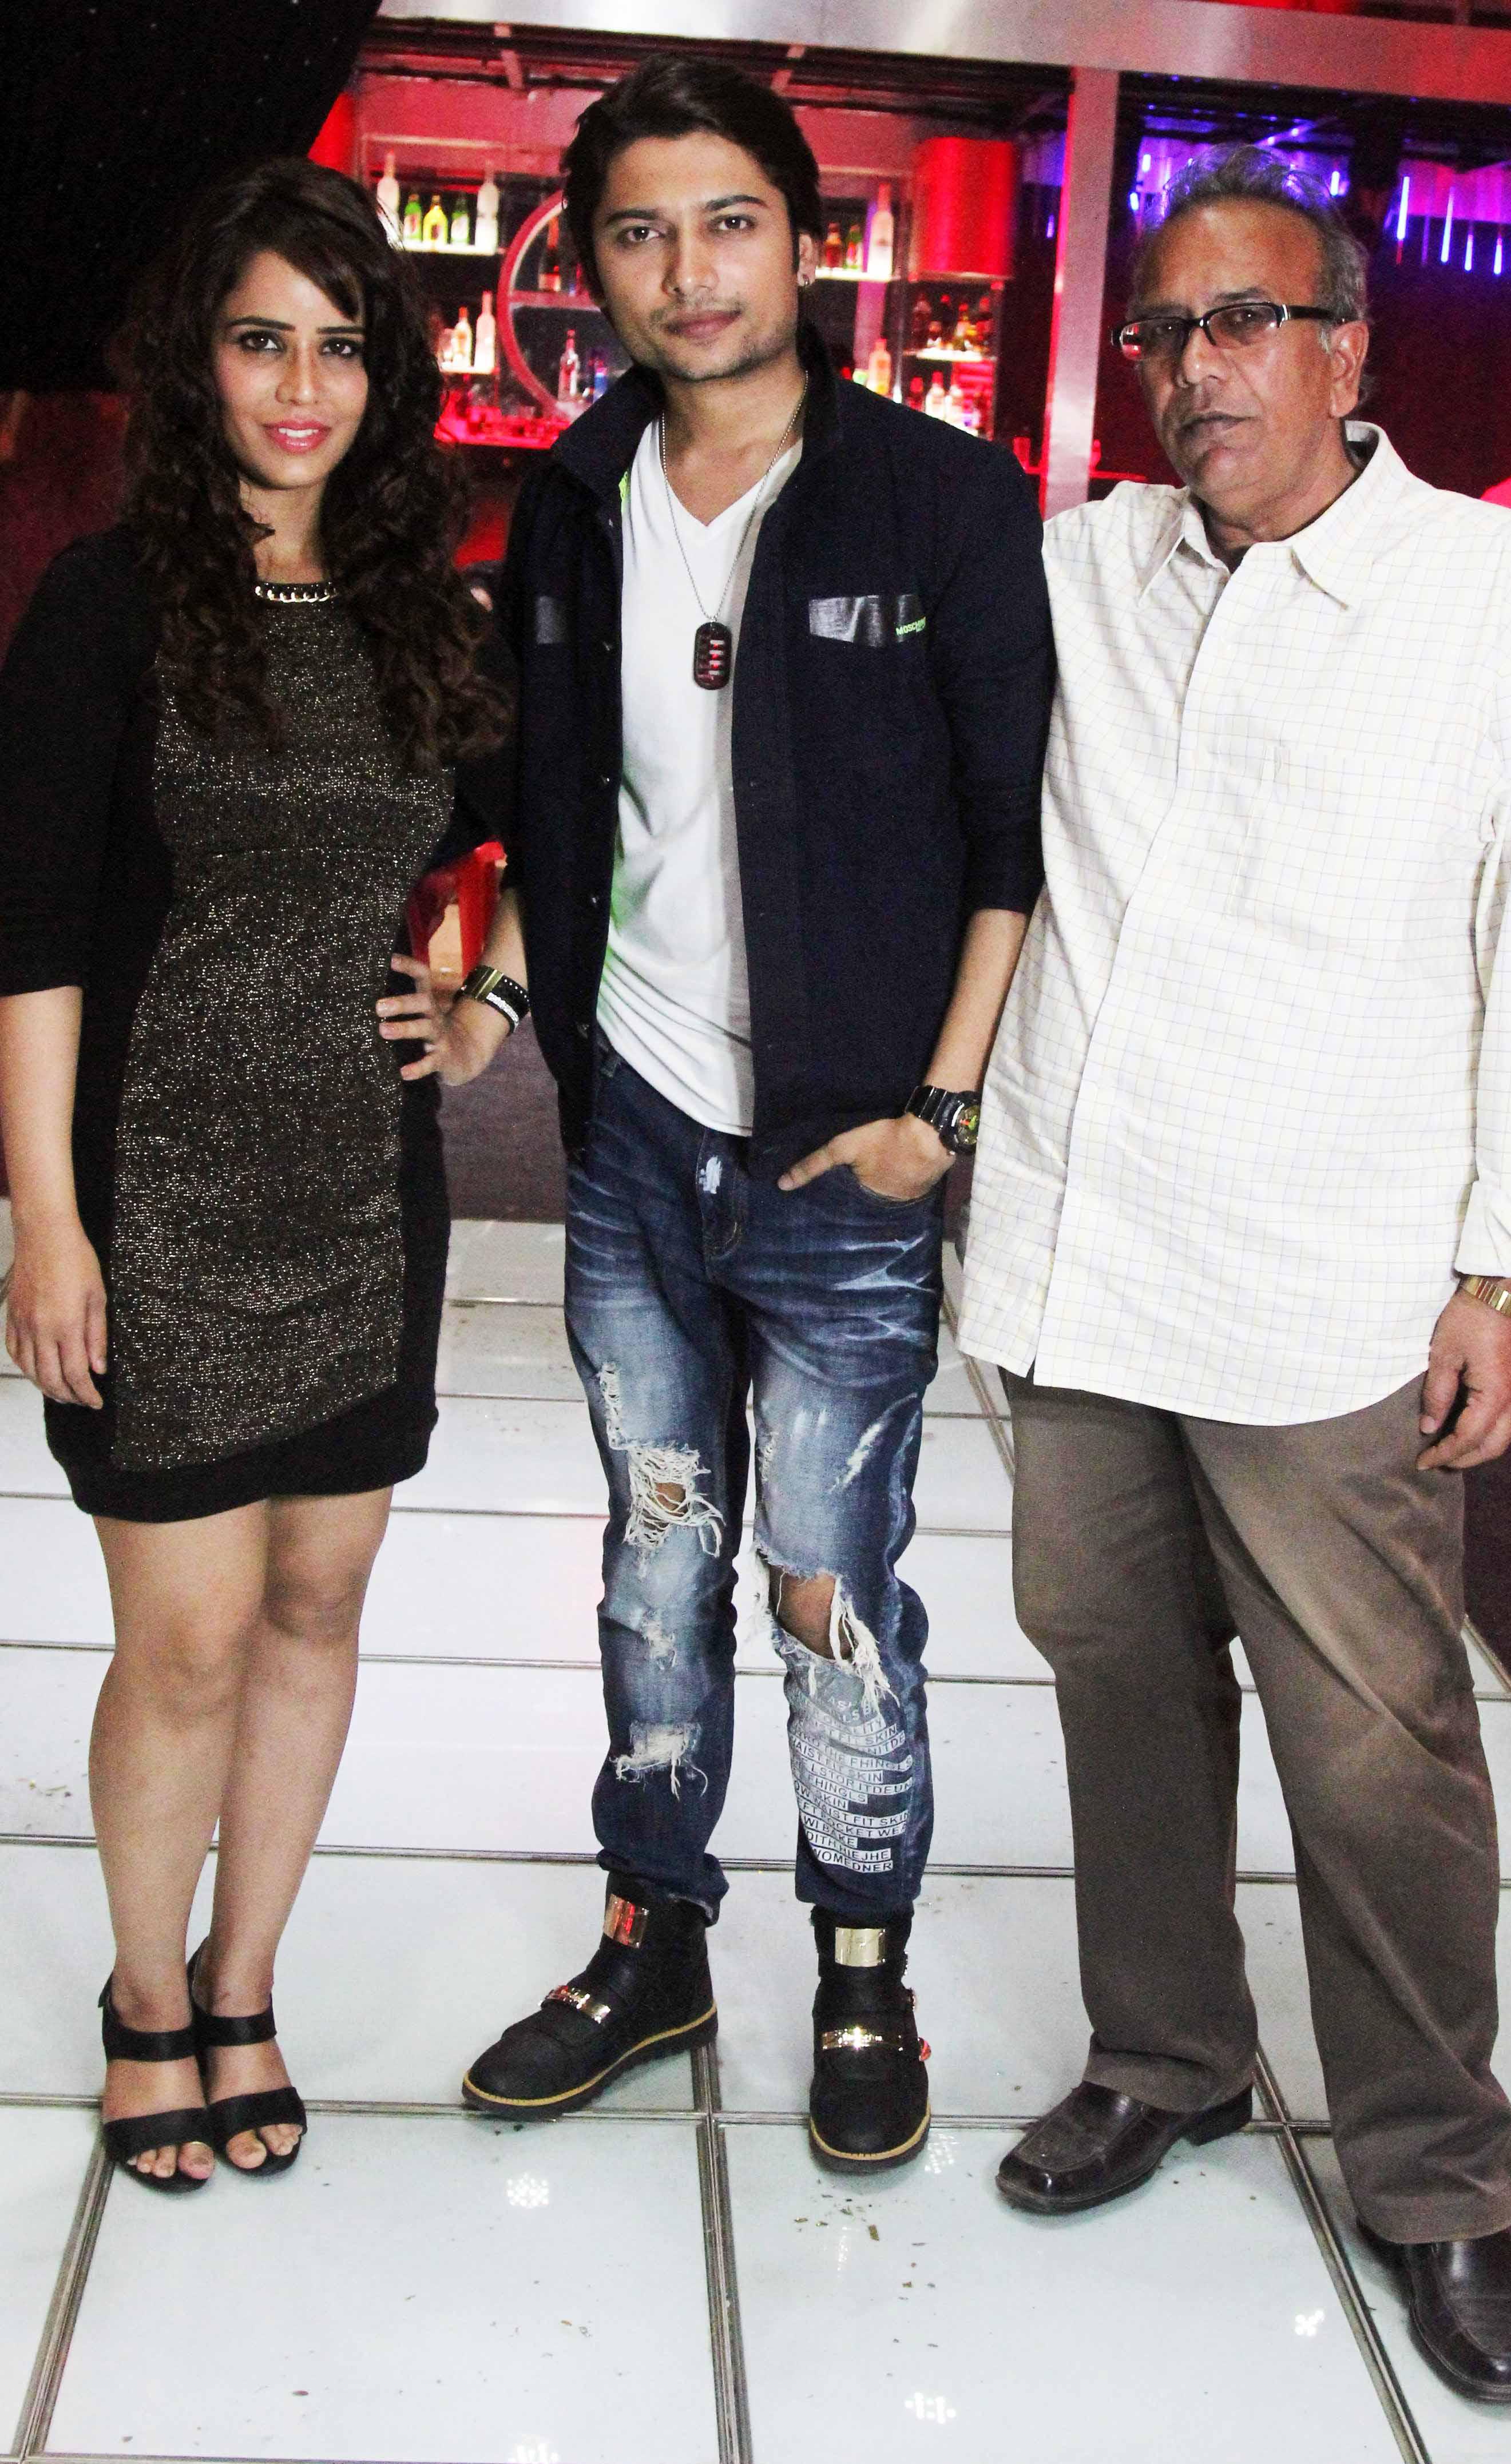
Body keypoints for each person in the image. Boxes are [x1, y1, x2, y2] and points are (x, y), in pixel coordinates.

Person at [960, 146, 1511, 2402]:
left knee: (1376, 1754)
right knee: (1117, 1678)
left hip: (1327, 1280)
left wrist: (1510, 1267)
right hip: (1083, 1251)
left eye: (1244, 321)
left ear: (1349, 345)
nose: (1197, 370)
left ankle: (1438, 2180)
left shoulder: (1493, 597)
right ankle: (1163, 2054)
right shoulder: (1090, 568)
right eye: (1164, 332)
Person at [461, 55, 1051, 2172]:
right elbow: (556, 796)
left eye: (727, 223)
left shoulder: (939, 500)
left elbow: (1012, 836)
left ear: (804, 243)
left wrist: (937, 1119)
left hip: (844, 1153)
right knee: (654, 1557)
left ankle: (862, 1965)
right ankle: (655, 1934)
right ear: (592, 264)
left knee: (831, 1576)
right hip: (634, 1135)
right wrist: (499, 988)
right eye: (639, 231)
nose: (686, 270)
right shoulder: (571, 497)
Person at [0, 158, 524, 2192]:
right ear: (197, 365)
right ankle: (146, 1996)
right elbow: (32, 933)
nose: (302, 388)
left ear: (386, 378)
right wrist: (45, 1221)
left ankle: (244, 1982)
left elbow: (563, 826)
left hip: (364, 1190)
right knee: (189, 1635)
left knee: (318, 1597)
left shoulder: (420, 612)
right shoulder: (111, 602)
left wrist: (482, 1004)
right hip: (154, 1188)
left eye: (339, 347)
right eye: (260, 342)